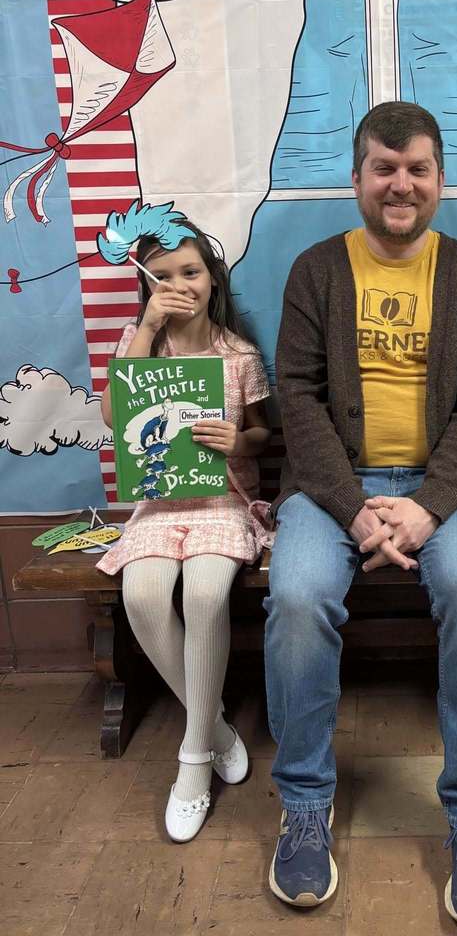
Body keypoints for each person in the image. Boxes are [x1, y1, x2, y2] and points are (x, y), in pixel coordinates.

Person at [265, 101, 457, 927]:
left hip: (449, 488)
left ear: (440, 179)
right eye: (384, 167)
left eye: (416, 169)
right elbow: (297, 398)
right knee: (297, 598)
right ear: (358, 177)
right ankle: (303, 804)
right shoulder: (315, 270)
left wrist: (425, 508)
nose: (399, 184)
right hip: (330, 485)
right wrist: (355, 509)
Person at [97, 207, 272, 842]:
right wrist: (145, 328)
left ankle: (192, 762)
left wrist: (240, 441)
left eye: (192, 271)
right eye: (163, 274)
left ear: (212, 277)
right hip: (158, 503)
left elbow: (261, 433)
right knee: (141, 595)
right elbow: (118, 421)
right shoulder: (136, 344)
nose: (180, 284)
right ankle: (217, 727)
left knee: (203, 593)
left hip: (222, 502)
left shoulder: (239, 354)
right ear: (145, 283)